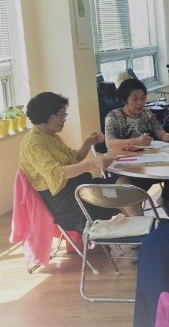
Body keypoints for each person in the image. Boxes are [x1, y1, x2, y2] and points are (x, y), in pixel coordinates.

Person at [19, 92, 141, 232]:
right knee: (122, 195)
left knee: (124, 185)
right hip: (65, 200)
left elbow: (73, 160)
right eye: (61, 114)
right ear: (45, 114)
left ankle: (140, 231)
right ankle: (140, 233)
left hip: (78, 187)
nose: (64, 118)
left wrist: (88, 143)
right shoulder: (32, 143)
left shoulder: (50, 136)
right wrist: (92, 163)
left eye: (64, 114)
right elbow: (56, 173)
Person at [104, 78, 169, 218]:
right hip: (124, 166)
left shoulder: (147, 113)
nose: (140, 102)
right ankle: (132, 215)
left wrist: (168, 136)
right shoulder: (113, 116)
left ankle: (165, 198)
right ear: (125, 100)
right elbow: (110, 143)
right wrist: (135, 142)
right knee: (130, 190)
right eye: (135, 99)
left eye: (142, 98)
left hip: (147, 163)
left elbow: (159, 132)